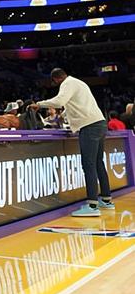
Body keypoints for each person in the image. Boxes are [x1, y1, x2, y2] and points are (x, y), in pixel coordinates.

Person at [35, 68, 113, 216]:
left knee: (89, 164)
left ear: (56, 79)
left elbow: (59, 102)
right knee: (98, 163)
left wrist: (39, 104)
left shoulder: (67, 83)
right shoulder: (79, 83)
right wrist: (66, 117)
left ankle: (92, 206)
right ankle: (106, 200)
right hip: (100, 124)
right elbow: (73, 105)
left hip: (89, 127)